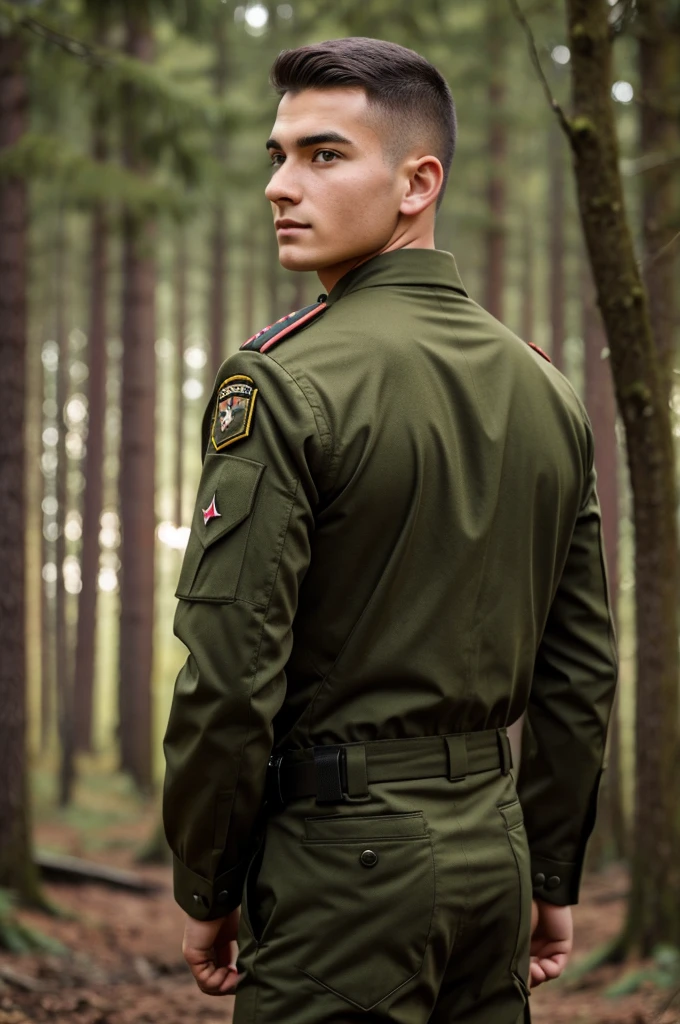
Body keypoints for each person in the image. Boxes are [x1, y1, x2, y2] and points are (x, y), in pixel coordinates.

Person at [162, 37, 618, 1024]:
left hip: (339, 867)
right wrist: (548, 871)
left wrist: (206, 881)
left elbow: (228, 674)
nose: (281, 186)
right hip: (490, 860)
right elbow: (578, 673)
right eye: (276, 156)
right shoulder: (547, 390)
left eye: (322, 155)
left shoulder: (280, 382)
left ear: (418, 183)